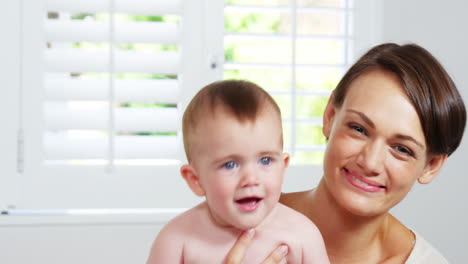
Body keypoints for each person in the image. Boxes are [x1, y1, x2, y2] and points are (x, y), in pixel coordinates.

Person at [224, 43, 467, 263]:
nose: (370, 162)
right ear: (330, 116)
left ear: (431, 165)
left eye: (401, 149)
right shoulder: (229, 224)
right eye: (359, 129)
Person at [146, 80, 330, 263]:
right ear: (196, 180)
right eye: (230, 165)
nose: (251, 179)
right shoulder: (177, 240)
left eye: (265, 160)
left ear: (282, 168)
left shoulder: (303, 236)